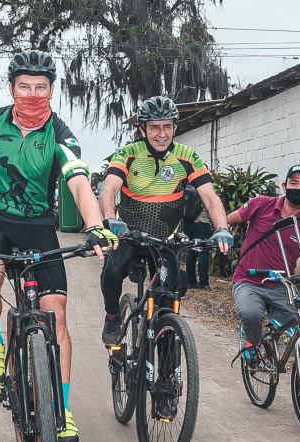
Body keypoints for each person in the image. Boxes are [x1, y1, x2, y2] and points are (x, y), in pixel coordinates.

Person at [0, 49, 117, 442]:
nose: (32, 94)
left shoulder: (60, 133)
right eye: (24, 87)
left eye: (40, 87)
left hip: (38, 225)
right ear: (11, 89)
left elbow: (78, 182)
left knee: (57, 316)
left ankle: (61, 410)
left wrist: (94, 227)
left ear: (51, 91)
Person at [98, 96, 232, 344]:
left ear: (175, 127)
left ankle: (167, 356)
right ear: (142, 130)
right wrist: (109, 219)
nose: (161, 134)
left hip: (165, 240)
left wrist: (222, 228)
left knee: (169, 300)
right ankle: (112, 316)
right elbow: (108, 189)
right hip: (129, 235)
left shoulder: (187, 156)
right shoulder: (127, 153)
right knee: (113, 271)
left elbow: (210, 197)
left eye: (167, 126)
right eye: (154, 127)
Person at [227, 163, 300, 363]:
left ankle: (286, 354)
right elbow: (231, 218)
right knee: (252, 316)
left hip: (281, 283)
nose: (298, 188)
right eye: (293, 183)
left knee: (294, 323)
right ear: (284, 186)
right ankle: (250, 339)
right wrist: (223, 233)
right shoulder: (261, 204)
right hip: (248, 279)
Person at [182, 203, 213, 289]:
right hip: (200, 222)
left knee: (191, 250)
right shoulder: (205, 193)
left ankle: (191, 281)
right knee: (203, 251)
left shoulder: (187, 192)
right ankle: (204, 283)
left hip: (186, 223)